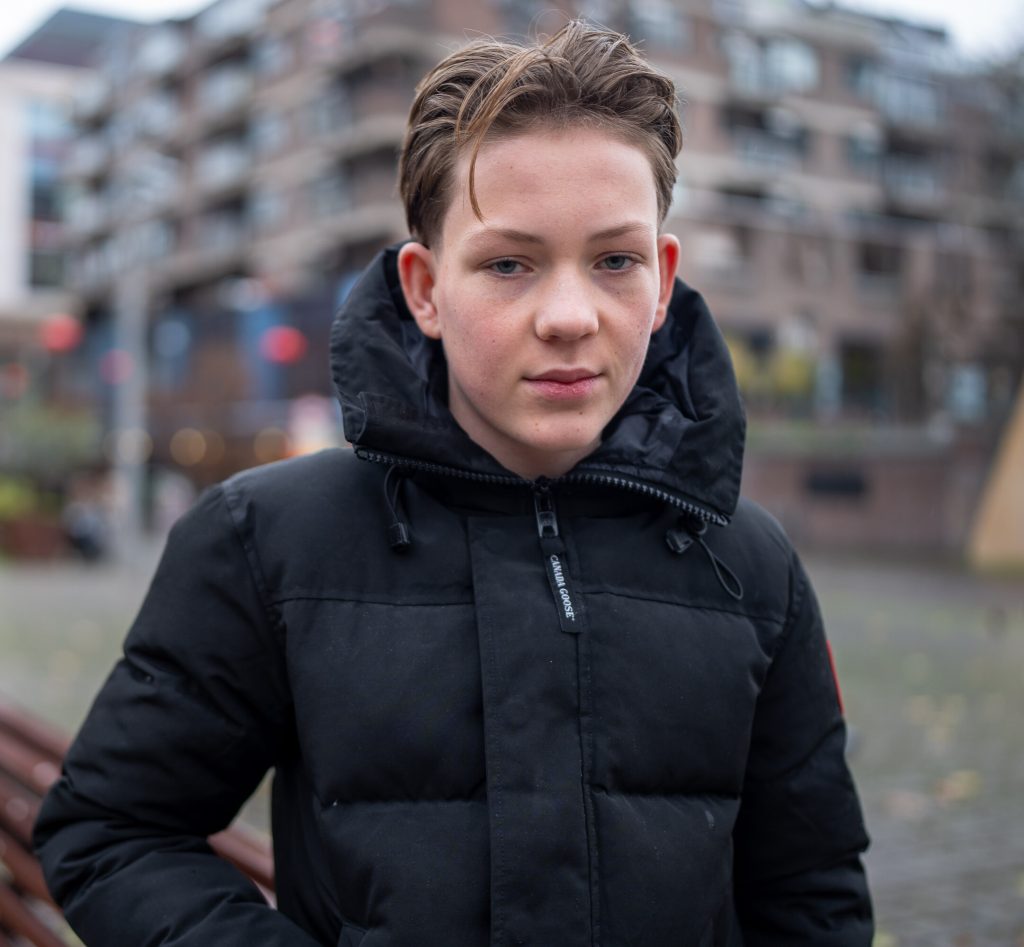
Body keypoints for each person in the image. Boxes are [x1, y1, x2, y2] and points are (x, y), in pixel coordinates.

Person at [34, 20, 873, 946]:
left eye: (615, 261)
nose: (569, 315)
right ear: (426, 289)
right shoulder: (266, 542)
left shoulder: (753, 567)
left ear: (664, 279)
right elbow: (112, 831)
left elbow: (812, 892)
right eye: (509, 263)